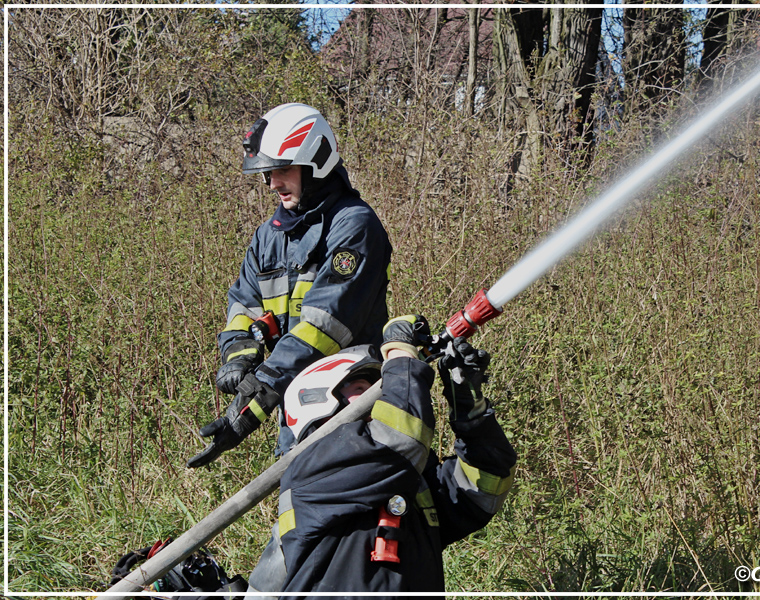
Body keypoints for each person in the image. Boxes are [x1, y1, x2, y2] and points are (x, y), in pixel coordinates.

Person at [245, 314, 518, 597]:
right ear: (318, 401)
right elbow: (400, 438)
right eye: (362, 389)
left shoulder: (403, 480)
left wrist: (469, 410)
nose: (379, 397)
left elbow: (483, 490)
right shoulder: (313, 469)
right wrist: (398, 352)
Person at [187, 103, 392, 468]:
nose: (272, 183)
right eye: (267, 173)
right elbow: (244, 307)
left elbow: (324, 325)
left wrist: (261, 390)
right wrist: (240, 353)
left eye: (282, 169)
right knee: (296, 521)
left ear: (315, 162)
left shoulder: (354, 228)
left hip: (353, 413)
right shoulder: (268, 238)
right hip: (296, 415)